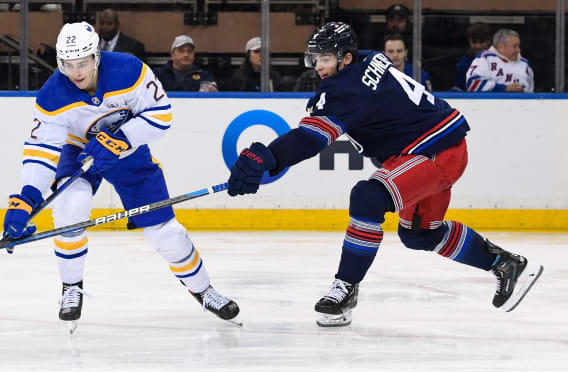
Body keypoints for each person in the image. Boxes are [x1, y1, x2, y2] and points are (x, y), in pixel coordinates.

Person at [226, 22, 543, 327]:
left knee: (367, 198)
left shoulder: (346, 88)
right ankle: (504, 264)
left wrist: (268, 156)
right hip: (439, 145)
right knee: (419, 234)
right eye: (316, 58)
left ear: (345, 58)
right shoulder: (367, 58)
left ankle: (345, 288)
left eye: (325, 58)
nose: (319, 66)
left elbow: (311, 138)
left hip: (433, 151)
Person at [2, 22, 239, 327]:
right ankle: (72, 286)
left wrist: (121, 139)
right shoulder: (51, 96)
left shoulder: (128, 70)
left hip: (128, 150)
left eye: (83, 63)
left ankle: (203, 290)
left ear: (96, 56)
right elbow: (41, 150)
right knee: (70, 209)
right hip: (78, 153)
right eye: (68, 64)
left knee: (164, 232)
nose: (76, 72)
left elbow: (161, 114)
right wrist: (27, 197)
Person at [466, 28, 533, 92]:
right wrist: (504, 88)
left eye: (519, 46)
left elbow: (531, 93)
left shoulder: (525, 63)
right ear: (501, 47)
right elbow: (472, 83)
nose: (518, 49)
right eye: (515, 46)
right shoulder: (485, 58)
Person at [454, 22, 491, 91]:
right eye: (474, 42)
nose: (478, 46)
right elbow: (460, 88)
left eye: (482, 42)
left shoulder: (498, 59)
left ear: (489, 40)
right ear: (469, 41)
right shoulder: (464, 63)